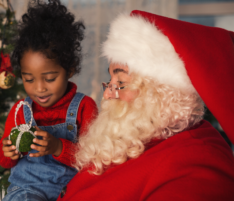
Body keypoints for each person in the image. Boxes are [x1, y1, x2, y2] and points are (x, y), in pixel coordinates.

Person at [56, 10, 234, 201]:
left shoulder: (196, 161)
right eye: (110, 80)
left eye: (121, 82)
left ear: (161, 91)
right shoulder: (137, 141)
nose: (107, 93)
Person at [0, 1, 98, 201]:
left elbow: (94, 159)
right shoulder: (20, 111)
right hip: (26, 192)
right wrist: (8, 152)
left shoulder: (84, 108)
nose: (39, 88)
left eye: (49, 79)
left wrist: (60, 147)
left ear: (70, 69)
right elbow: (3, 159)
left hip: (72, 192)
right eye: (29, 79)